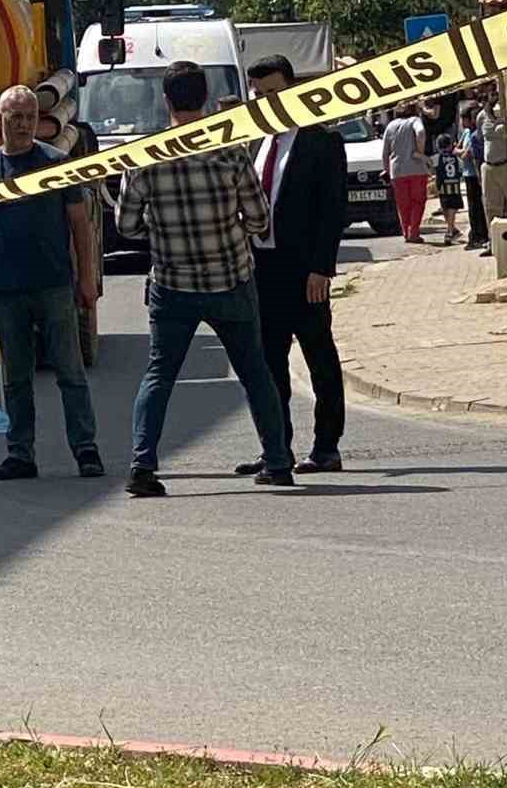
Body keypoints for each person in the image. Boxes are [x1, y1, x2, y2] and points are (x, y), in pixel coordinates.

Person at [115, 60, 293, 498]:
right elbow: (258, 217)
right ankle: (278, 461)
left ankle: (143, 465)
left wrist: (163, 231)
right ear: (207, 97)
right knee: (255, 371)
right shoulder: (230, 150)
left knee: (160, 375)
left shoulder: (144, 155)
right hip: (230, 279)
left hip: (172, 286)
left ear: (165, 100)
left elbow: (126, 225)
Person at [0, 85, 103, 482]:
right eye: (15, 116)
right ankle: (20, 454)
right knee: (15, 377)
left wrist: (86, 279)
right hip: (5, 291)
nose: (22, 124)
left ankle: (86, 450)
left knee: (70, 373)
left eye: (29, 117)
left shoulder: (56, 164)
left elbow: (80, 225)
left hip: (54, 285)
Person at [239, 53, 348, 476]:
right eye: (259, 94)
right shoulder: (256, 143)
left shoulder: (321, 142)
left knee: (320, 358)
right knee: (268, 364)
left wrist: (322, 268)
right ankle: (275, 448)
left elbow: (332, 211)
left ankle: (326, 448)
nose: (267, 100)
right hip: (263, 269)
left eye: (274, 92)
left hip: (305, 272)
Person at [381, 100, 429, 243]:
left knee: (403, 204)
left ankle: (406, 232)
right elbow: (420, 132)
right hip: (416, 169)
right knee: (418, 202)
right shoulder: (415, 120)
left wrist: (386, 170)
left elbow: (385, 153)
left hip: (397, 171)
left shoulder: (390, 126)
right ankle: (413, 232)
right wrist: (420, 152)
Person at [456, 103, 489, 251]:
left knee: (478, 207)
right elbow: (457, 149)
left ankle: (480, 235)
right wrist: (461, 151)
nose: (462, 123)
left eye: (465, 120)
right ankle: (475, 234)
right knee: (472, 208)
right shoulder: (466, 133)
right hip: (468, 174)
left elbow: (465, 154)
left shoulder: (476, 134)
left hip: (475, 174)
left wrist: (461, 152)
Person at [480, 94, 507, 230]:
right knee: (491, 206)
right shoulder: (483, 118)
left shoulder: (506, 120)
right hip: (488, 166)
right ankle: (493, 240)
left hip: (504, 165)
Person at [434, 135, 463, 246]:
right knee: (452, 210)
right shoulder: (456, 158)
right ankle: (452, 230)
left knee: (446, 209)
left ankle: (450, 231)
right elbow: (461, 169)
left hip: (442, 188)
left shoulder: (438, 157)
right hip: (454, 187)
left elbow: (428, 163)